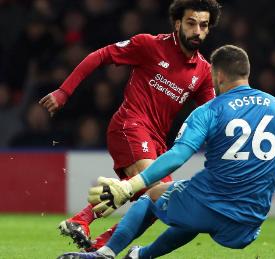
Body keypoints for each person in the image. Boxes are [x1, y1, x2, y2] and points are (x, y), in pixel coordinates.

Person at [57, 45, 275, 259]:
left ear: (217, 76)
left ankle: (104, 254)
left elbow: (178, 156)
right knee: (190, 209)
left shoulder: (210, 110)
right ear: (246, 73)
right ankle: (141, 256)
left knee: (154, 196)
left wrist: (130, 187)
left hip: (210, 204)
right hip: (248, 225)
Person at [40, 0, 221, 251]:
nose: (197, 31)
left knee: (160, 200)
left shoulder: (203, 71)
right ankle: (102, 244)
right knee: (159, 193)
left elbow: (213, 114)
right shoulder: (150, 45)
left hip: (157, 142)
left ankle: (87, 230)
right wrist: (64, 91)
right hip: (130, 125)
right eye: (191, 24)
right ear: (178, 23)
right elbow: (100, 55)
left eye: (203, 25)